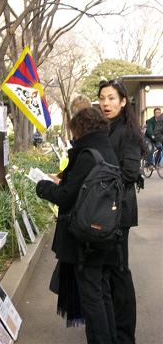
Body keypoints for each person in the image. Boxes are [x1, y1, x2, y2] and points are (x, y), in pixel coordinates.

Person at [36, 107, 118, 344]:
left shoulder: (86, 155)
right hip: (104, 231)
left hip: (85, 237)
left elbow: (66, 196)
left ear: (81, 129)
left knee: (92, 298)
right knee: (102, 293)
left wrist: (42, 186)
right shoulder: (106, 149)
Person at [98, 78, 143, 344]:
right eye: (103, 98)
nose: (106, 103)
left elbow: (129, 172)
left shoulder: (127, 130)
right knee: (110, 270)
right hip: (105, 211)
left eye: (112, 98)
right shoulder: (107, 128)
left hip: (118, 210)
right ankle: (112, 327)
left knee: (119, 271)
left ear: (123, 101)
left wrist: (97, 183)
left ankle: (125, 336)